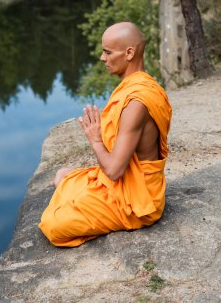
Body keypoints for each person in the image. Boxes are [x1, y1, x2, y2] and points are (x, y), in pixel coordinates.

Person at [39, 22, 172, 247]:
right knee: (62, 175)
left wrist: (95, 138)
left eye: (108, 52)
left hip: (136, 200)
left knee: (53, 225)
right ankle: (83, 202)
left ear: (129, 53)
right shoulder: (140, 85)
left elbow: (113, 170)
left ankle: (86, 206)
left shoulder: (137, 102)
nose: (103, 58)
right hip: (124, 183)